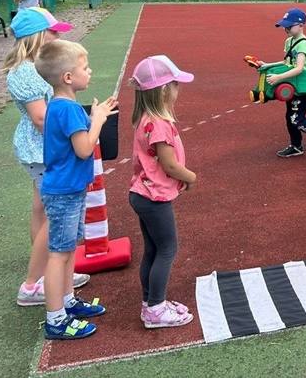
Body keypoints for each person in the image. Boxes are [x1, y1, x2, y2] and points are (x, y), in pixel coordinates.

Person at [4, 8, 90, 306]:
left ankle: (48, 273)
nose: (58, 35)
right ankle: (34, 282)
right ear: (37, 36)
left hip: (39, 149)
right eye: (53, 32)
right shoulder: (27, 71)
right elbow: (41, 118)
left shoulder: (30, 68)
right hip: (41, 150)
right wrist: (76, 133)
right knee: (54, 214)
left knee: (41, 208)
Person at [34, 39, 118, 339]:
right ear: (68, 77)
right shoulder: (67, 109)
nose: (89, 70)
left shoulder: (60, 105)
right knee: (59, 254)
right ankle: (55, 318)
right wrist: (97, 120)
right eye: (85, 67)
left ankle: (67, 301)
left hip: (68, 189)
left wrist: (95, 116)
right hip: (64, 192)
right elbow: (84, 149)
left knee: (68, 250)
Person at [128, 55, 197, 329]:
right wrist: (190, 177)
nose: (179, 90)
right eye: (176, 85)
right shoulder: (159, 124)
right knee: (167, 250)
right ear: (165, 90)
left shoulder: (147, 118)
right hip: (154, 198)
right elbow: (169, 164)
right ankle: (155, 308)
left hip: (142, 194)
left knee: (153, 250)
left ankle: (151, 303)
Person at [260, 8, 306, 158]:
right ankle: (296, 145)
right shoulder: (289, 41)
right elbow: (286, 61)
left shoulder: (303, 44)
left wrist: (278, 78)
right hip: (293, 85)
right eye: (284, 26)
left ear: (301, 25)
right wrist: (267, 65)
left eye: (289, 26)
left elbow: (299, 68)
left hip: (303, 86)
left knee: (296, 118)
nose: (286, 29)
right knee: (290, 116)